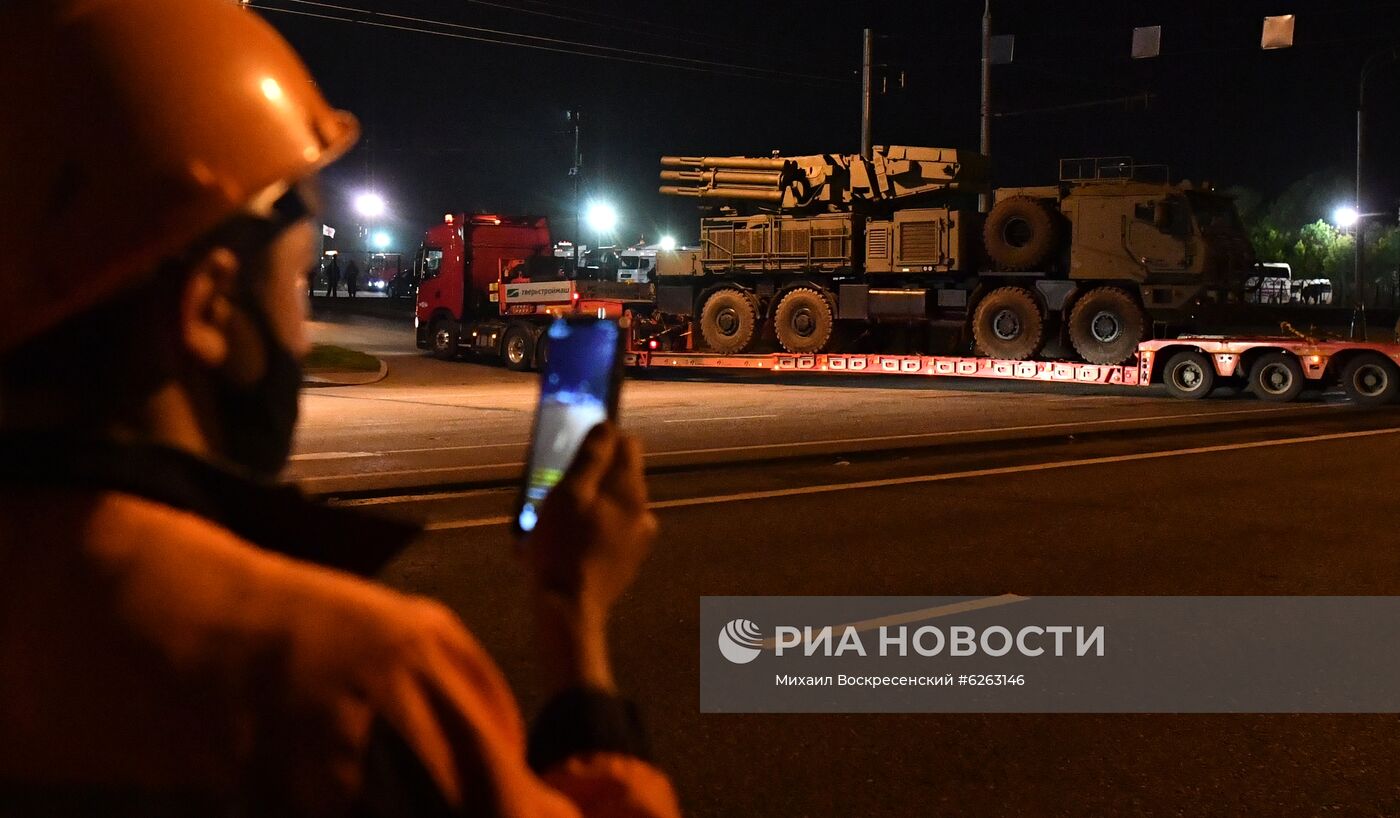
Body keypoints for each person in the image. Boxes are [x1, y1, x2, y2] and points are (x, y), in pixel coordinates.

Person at [0, 2, 680, 816]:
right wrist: (572, 624)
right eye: (293, 281)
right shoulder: (356, 677)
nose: (304, 322)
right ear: (210, 307)